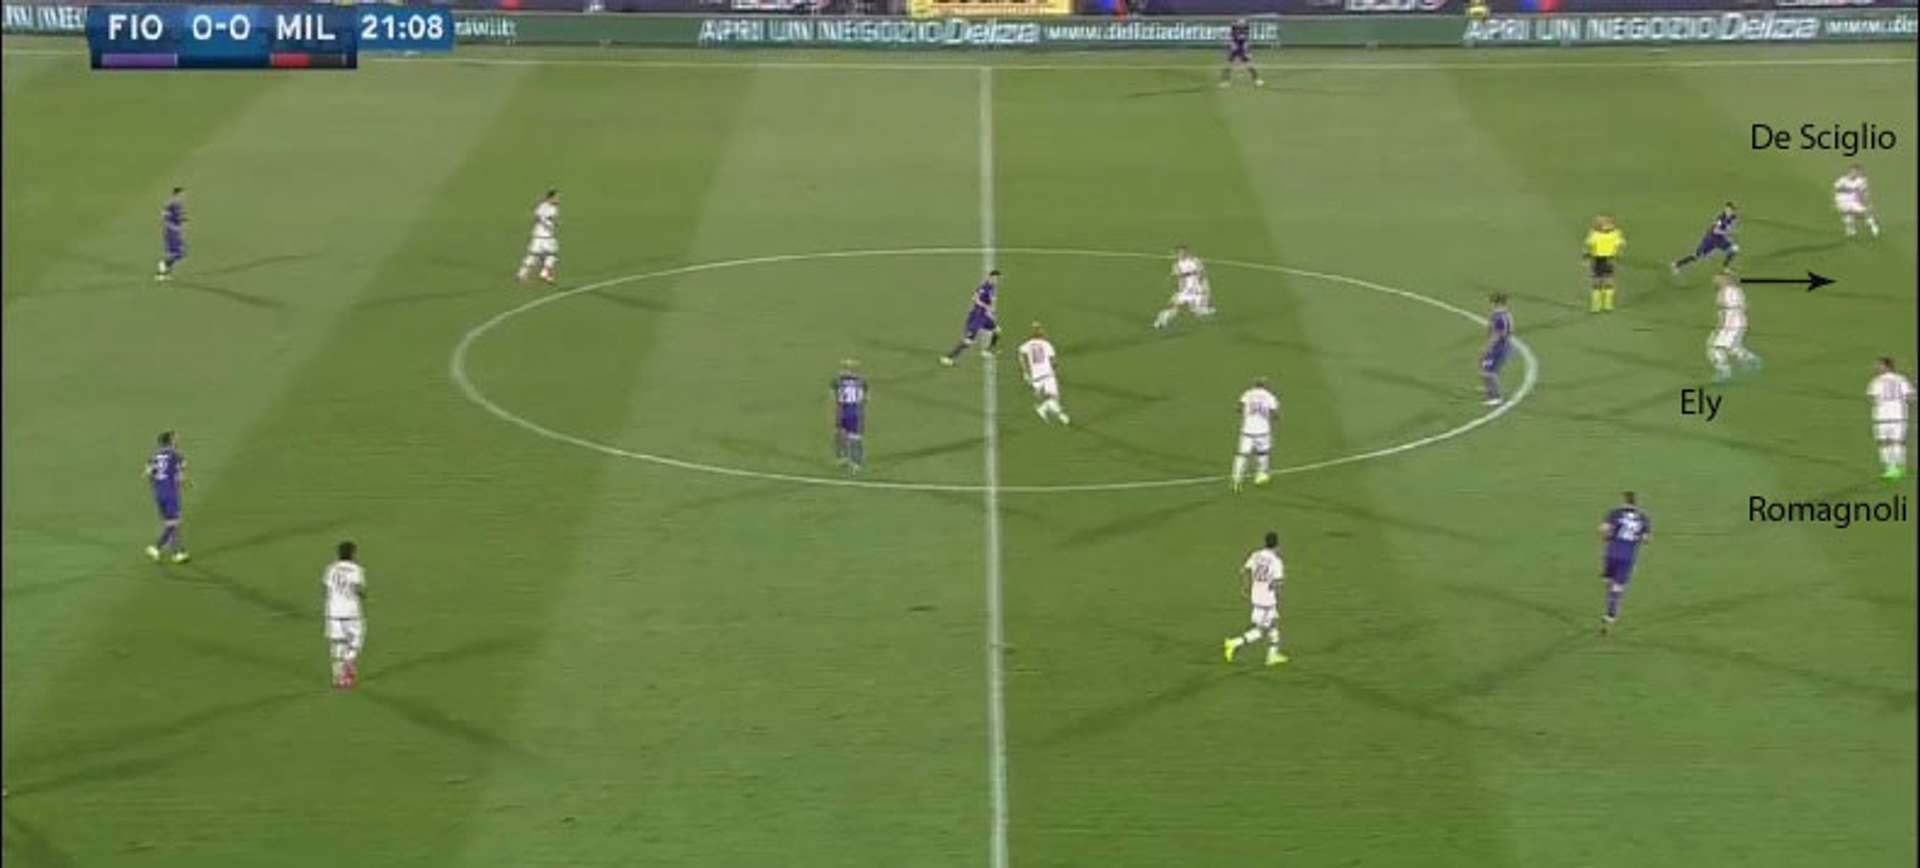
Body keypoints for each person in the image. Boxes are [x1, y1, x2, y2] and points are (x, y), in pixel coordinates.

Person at [1223, 531, 1287, 667]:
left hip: (1256, 596)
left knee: (1273, 625)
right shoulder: (1276, 561)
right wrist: (1278, 597)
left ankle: (1272, 655)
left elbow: (1243, 570)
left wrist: (1245, 587)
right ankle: (1234, 643)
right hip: (1267, 600)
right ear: (1277, 545)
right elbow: (1278, 583)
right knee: (1260, 631)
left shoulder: (1256, 555)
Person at [1598, 492, 1651, 636]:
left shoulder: (1615, 513)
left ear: (1623, 501)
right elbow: (1646, 539)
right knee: (1618, 587)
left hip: (1612, 553)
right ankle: (1610, 614)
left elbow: (1604, 530)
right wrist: (1637, 538)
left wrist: (1606, 539)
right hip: (1627, 556)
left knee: (1608, 581)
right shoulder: (1643, 517)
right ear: (1636, 503)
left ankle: (1610, 602)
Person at [324, 541, 368, 689]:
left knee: (337, 644)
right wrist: (363, 595)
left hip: (333, 612)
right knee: (357, 638)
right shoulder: (356, 569)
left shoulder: (331, 569)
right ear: (352, 554)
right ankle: (349, 661)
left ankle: (338, 678)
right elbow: (357, 588)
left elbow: (326, 589)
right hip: (351, 612)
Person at [1707, 272, 1761, 383]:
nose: (1715, 281)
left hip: (1730, 323)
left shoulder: (1726, 291)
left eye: (1718, 279)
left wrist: (1721, 325)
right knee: (1733, 347)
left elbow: (1726, 309)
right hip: (1740, 322)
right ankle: (1753, 361)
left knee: (1716, 347)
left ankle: (1724, 372)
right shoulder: (1737, 290)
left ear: (1725, 279)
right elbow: (1744, 306)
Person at [144, 431, 189, 563]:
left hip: (159, 493)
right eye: (175, 439)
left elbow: (147, 474)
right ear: (171, 441)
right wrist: (182, 482)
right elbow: (181, 475)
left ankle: (177, 553)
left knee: (170, 523)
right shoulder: (176, 455)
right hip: (170, 493)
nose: (177, 441)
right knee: (174, 523)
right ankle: (156, 547)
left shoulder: (154, 457)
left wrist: (158, 484)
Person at [1867, 357, 1914, 480]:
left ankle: (1891, 468)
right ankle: (1900, 466)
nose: (1877, 368)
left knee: (1884, 442)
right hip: (1899, 415)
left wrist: (1880, 403)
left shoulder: (1877, 381)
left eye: (1880, 366)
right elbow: (1910, 397)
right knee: (1898, 441)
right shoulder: (1902, 379)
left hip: (1882, 416)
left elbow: (1872, 398)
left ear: (1887, 367)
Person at [941, 270, 1001, 366]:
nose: (997, 280)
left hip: (984, 316)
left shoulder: (992, 287)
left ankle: (987, 351)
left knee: (997, 330)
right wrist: (987, 307)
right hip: (977, 316)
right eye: (995, 278)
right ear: (990, 277)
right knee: (968, 341)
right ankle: (948, 358)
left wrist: (990, 312)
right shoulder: (984, 287)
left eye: (998, 279)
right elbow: (975, 298)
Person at [1231, 377, 1279, 491]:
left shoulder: (1248, 394)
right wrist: (1274, 417)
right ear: (1265, 386)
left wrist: (1246, 412)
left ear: (1255, 385)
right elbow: (1274, 414)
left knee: (1242, 455)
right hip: (1263, 431)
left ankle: (1236, 478)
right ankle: (1260, 475)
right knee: (1263, 454)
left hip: (1247, 430)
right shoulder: (1270, 396)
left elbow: (1238, 408)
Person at [1152, 244, 1215, 330]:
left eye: (1181, 252)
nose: (1180, 254)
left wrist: (1203, 288)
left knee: (1196, 311)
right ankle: (1161, 322)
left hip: (1195, 291)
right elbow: (1178, 277)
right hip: (1185, 291)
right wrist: (1179, 287)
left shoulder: (1195, 261)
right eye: (1179, 252)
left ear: (1186, 252)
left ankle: (1205, 310)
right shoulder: (1177, 264)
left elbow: (1202, 273)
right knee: (1172, 306)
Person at [1016, 324, 1069, 425]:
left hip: (1035, 376)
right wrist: (1055, 371)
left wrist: (1024, 372)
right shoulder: (1046, 344)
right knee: (1054, 396)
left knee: (1047, 397)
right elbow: (1053, 361)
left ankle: (1052, 412)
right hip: (1047, 374)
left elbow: (1019, 353)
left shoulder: (1028, 344)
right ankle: (1049, 411)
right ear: (1041, 336)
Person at [1671, 202, 1739, 273]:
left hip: (1720, 239)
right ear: (1726, 209)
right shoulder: (1720, 218)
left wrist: (1730, 229)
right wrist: (1728, 233)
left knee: (1734, 249)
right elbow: (1715, 230)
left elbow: (1731, 225)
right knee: (1696, 256)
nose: (1731, 211)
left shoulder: (1733, 217)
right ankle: (1677, 264)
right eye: (1729, 210)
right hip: (1711, 239)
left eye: (1732, 210)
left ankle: (1725, 267)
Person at [831, 360, 868, 473]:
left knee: (841, 434)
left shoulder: (837, 381)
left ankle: (845, 458)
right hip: (855, 412)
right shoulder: (861, 381)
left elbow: (833, 396)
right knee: (854, 438)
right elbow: (865, 398)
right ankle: (855, 462)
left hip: (842, 412)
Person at [516, 189, 560, 284]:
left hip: (537, 235)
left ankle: (522, 274)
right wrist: (550, 224)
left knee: (534, 255)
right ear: (551, 198)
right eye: (556, 197)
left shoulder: (542, 205)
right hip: (546, 237)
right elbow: (543, 219)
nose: (558, 199)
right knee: (551, 255)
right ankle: (544, 274)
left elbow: (535, 215)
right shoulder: (552, 208)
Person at [1584, 215, 1625, 313]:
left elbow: (1589, 245)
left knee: (1598, 282)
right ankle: (1608, 305)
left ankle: (1596, 306)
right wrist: (1618, 253)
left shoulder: (1594, 234)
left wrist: (1586, 256)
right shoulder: (1616, 234)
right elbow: (1620, 244)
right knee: (1608, 281)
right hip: (1609, 259)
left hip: (1598, 259)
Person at [1480, 293, 1513, 406]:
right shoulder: (1506, 314)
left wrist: (1487, 347)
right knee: (1487, 370)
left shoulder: (1498, 317)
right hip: (1502, 346)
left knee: (1489, 372)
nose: (1491, 305)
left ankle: (1496, 397)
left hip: (1498, 348)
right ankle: (1491, 392)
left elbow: (1497, 335)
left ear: (1497, 303)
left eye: (1493, 303)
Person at [1833, 164, 1879, 238]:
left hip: (1853, 201)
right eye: (1852, 172)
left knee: (1864, 213)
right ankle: (1851, 230)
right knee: (1849, 216)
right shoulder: (1842, 180)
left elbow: (1864, 192)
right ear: (1849, 171)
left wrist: (1867, 202)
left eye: (1856, 172)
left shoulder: (1861, 181)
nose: (1854, 174)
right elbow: (1837, 189)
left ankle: (1873, 227)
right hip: (1842, 201)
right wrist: (1850, 189)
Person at [1218, 18, 1263, 88]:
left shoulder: (1244, 32)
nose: (1241, 25)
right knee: (1228, 65)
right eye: (1240, 24)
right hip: (1235, 50)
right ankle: (1225, 82)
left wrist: (1248, 52)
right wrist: (1231, 47)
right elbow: (1232, 39)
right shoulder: (1234, 30)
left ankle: (1257, 80)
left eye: (1242, 24)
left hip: (1242, 51)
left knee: (1249, 65)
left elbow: (1245, 43)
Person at [155, 187, 186, 282]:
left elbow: (177, 217)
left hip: (175, 232)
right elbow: (164, 216)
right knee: (178, 253)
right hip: (172, 232)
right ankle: (162, 268)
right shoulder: (172, 204)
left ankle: (166, 273)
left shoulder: (177, 205)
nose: (183, 197)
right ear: (177, 194)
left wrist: (182, 222)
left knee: (178, 254)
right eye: (182, 195)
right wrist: (173, 226)